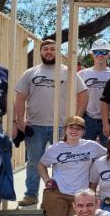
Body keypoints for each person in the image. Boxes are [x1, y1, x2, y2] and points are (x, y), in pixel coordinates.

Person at [15, 39, 88, 206]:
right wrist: (20, 120)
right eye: (45, 49)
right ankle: (31, 195)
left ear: (58, 52)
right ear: (40, 52)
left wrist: (77, 119)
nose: (49, 52)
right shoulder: (30, 73)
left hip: (62, 126)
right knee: (34, 161)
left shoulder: (67, 72)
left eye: (53, 49)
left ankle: (57, 195)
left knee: (61, 161)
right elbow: (20, 98)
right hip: (35, 125)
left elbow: (84, 95)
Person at [38, 116, 107, 216]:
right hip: (58, 193)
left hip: (80, 196)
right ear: (65, 129)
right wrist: (47, 180)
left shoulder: (91, 146)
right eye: (71, 127)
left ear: (83, 131)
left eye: (78, 128)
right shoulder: (55, 148)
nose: (74, 131)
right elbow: (41, 164)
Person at [78, 39, 110, 146]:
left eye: (104, 52)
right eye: (97, 52)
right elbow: (77, 97)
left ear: (109, 55)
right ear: (92, 55)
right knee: (84, 151)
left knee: (108, 151)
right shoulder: (82, 74)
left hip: (109, 119)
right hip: (88, 118)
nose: (100, 55)